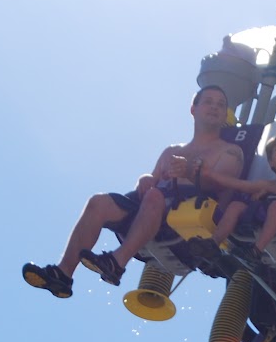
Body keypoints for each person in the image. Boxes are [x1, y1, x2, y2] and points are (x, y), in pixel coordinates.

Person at [22, 85, 246, 298]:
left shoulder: (230, 151)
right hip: (152, 212)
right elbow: (153, 180)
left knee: (155, 196)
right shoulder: (172, 151)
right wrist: (145, 179)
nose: (215, 107)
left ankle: (116, 263)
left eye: (220, 104)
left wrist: (190, 172)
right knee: (99, 202)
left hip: (191, 221)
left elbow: (222, 185)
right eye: (208, 102)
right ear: (193, 109)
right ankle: (63, 274)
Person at [211, 135, 276, 253]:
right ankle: (212, 244)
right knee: (235, 205)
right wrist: (209, 174)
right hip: (273, 220)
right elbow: (241, 185)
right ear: (271, 162)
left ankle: (257, 250)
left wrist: (267, 188)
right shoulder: (269, 185)